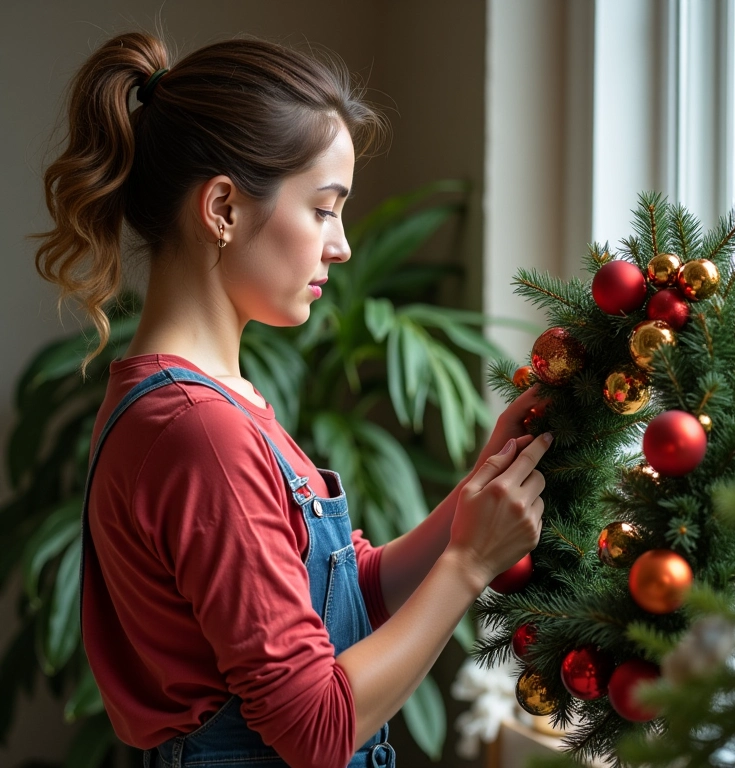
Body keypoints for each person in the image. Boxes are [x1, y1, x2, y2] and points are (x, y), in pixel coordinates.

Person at [34, 31, 551, 768]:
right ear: (221, 208)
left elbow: (349, 604)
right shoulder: (200, 431)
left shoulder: (216, 403)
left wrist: (482, 481)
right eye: (323, 209)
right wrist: (468, 566)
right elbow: (316, 730)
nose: (340, 245)